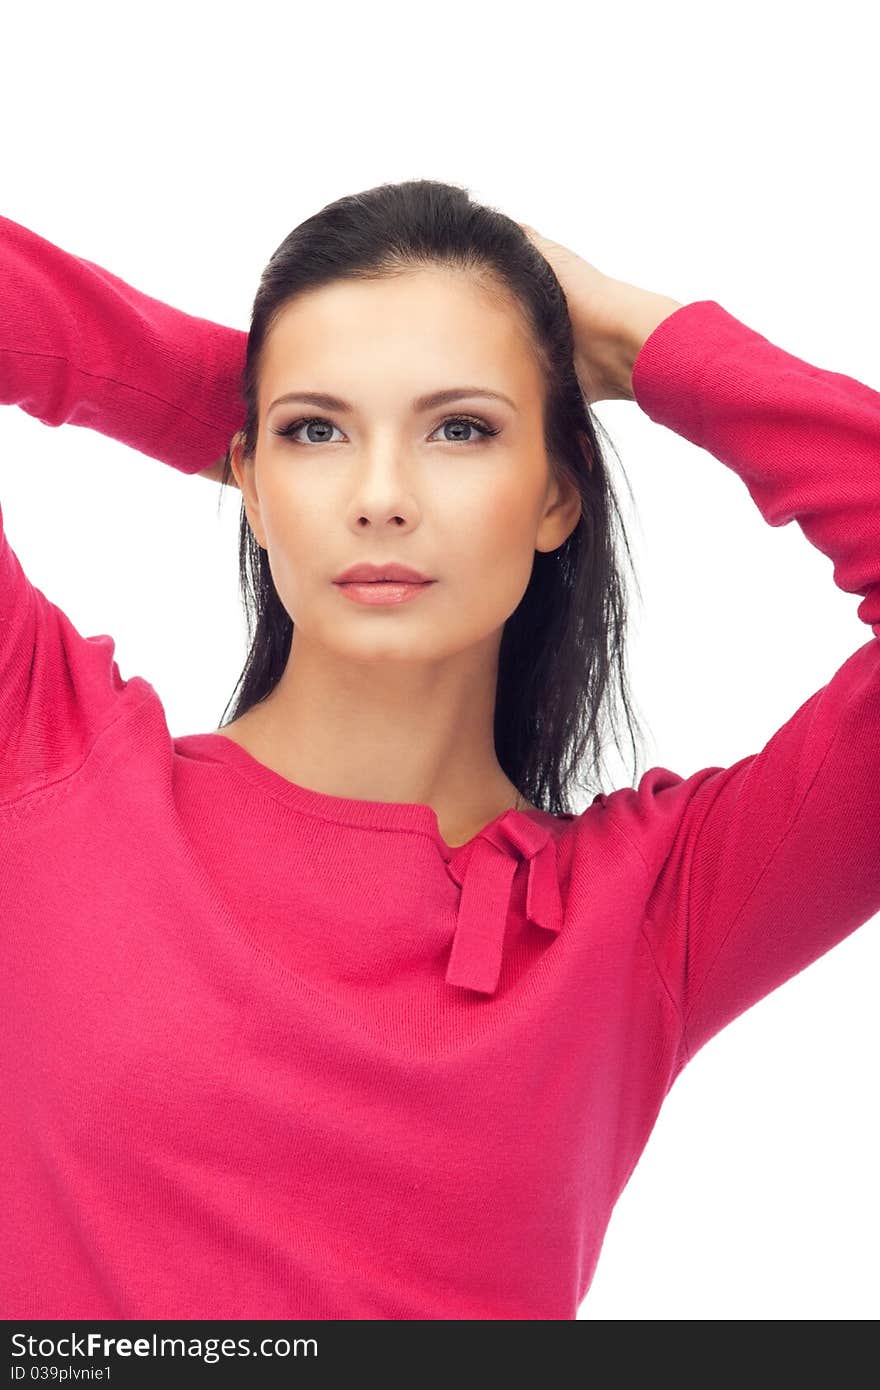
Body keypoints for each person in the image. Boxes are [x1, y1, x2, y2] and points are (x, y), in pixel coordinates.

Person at [1, 180, 877, 1321]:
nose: (379, 497)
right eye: (317, 433)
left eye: (459, 428)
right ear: (251, 487)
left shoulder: (651, 912)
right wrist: (223, 404)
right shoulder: (48, 758)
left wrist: (642, 339)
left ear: (558, 491)